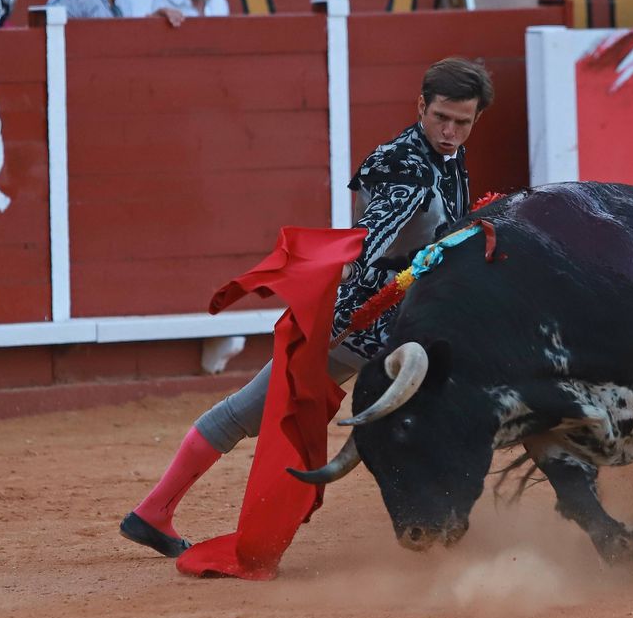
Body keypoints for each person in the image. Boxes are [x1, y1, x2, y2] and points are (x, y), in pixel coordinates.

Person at [120, 58, 495, 557]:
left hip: (405, 325)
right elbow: (376, 233)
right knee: (250, 413)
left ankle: (152, 512)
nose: (449, 132)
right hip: (363, 328)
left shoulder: (446, 157)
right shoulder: (402, 166)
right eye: (440, 118)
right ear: (420, 106)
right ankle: (153, 512)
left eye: (462, 123)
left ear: (475, 120)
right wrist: (369, 263)